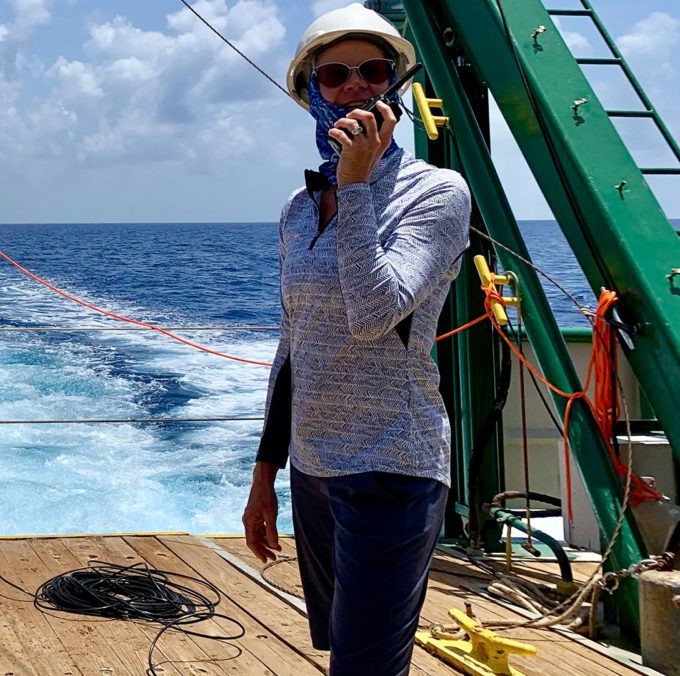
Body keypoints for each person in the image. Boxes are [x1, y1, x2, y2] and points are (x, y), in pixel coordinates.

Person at [241, 4, 472, 675]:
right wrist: (266, 477)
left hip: (392, 469)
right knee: (345, 653)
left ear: (393, 85)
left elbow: (376, 312)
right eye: (334, 73)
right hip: (315, 470)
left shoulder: (438, 193)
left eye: (371, 70)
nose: (354, 86)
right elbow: (294, 345)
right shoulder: (298, 206)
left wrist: (358, 182)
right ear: (310, 89)